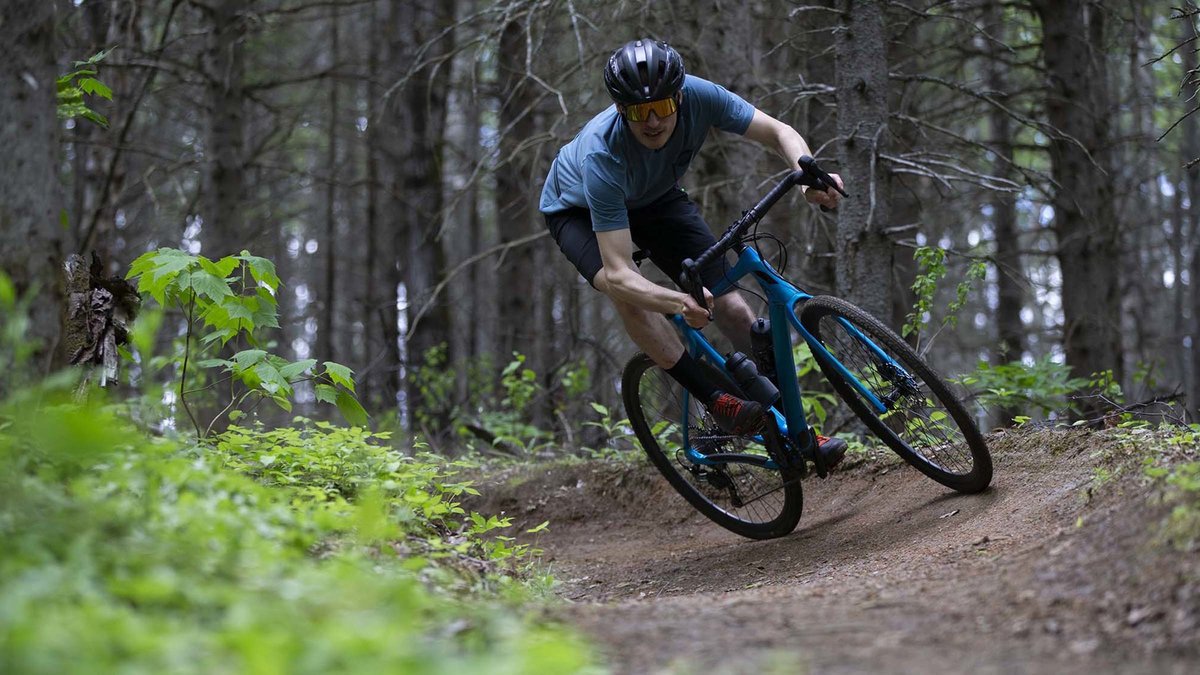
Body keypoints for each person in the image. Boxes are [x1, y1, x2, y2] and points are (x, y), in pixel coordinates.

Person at [539, 38, 847, 466]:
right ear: (620, 110)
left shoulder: (701, 95)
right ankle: (716, 399)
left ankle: (797, 430)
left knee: (732, 306)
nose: (652, 122)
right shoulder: (601, 156)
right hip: (577, 210)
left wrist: (807, 175)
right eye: (638, 112)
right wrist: (677, 301)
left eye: (662, 107)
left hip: (654, 197)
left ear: (680, 97)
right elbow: (620, 272)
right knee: (626, 293)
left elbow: (779, 131)